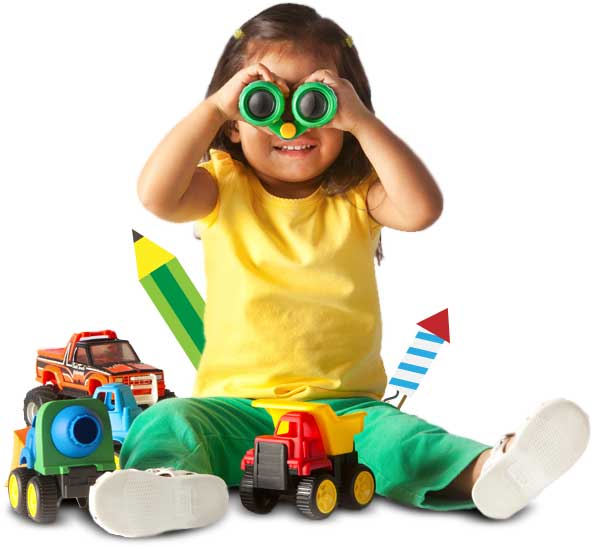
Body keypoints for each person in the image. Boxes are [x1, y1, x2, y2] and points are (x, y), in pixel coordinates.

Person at [88, 3, 589, 538]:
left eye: (315, 104)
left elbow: (423, 209)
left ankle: (489, 474)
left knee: (403, 441)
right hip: (231, 407)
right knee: (168, 422)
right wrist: (213, 107)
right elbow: (155, 194)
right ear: (236, 125)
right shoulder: (220, 187)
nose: (290, 122)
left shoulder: (355, 198)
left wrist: (361, 122)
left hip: (347, 413)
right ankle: (167, 488)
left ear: (344, 113)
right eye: (264, 101)